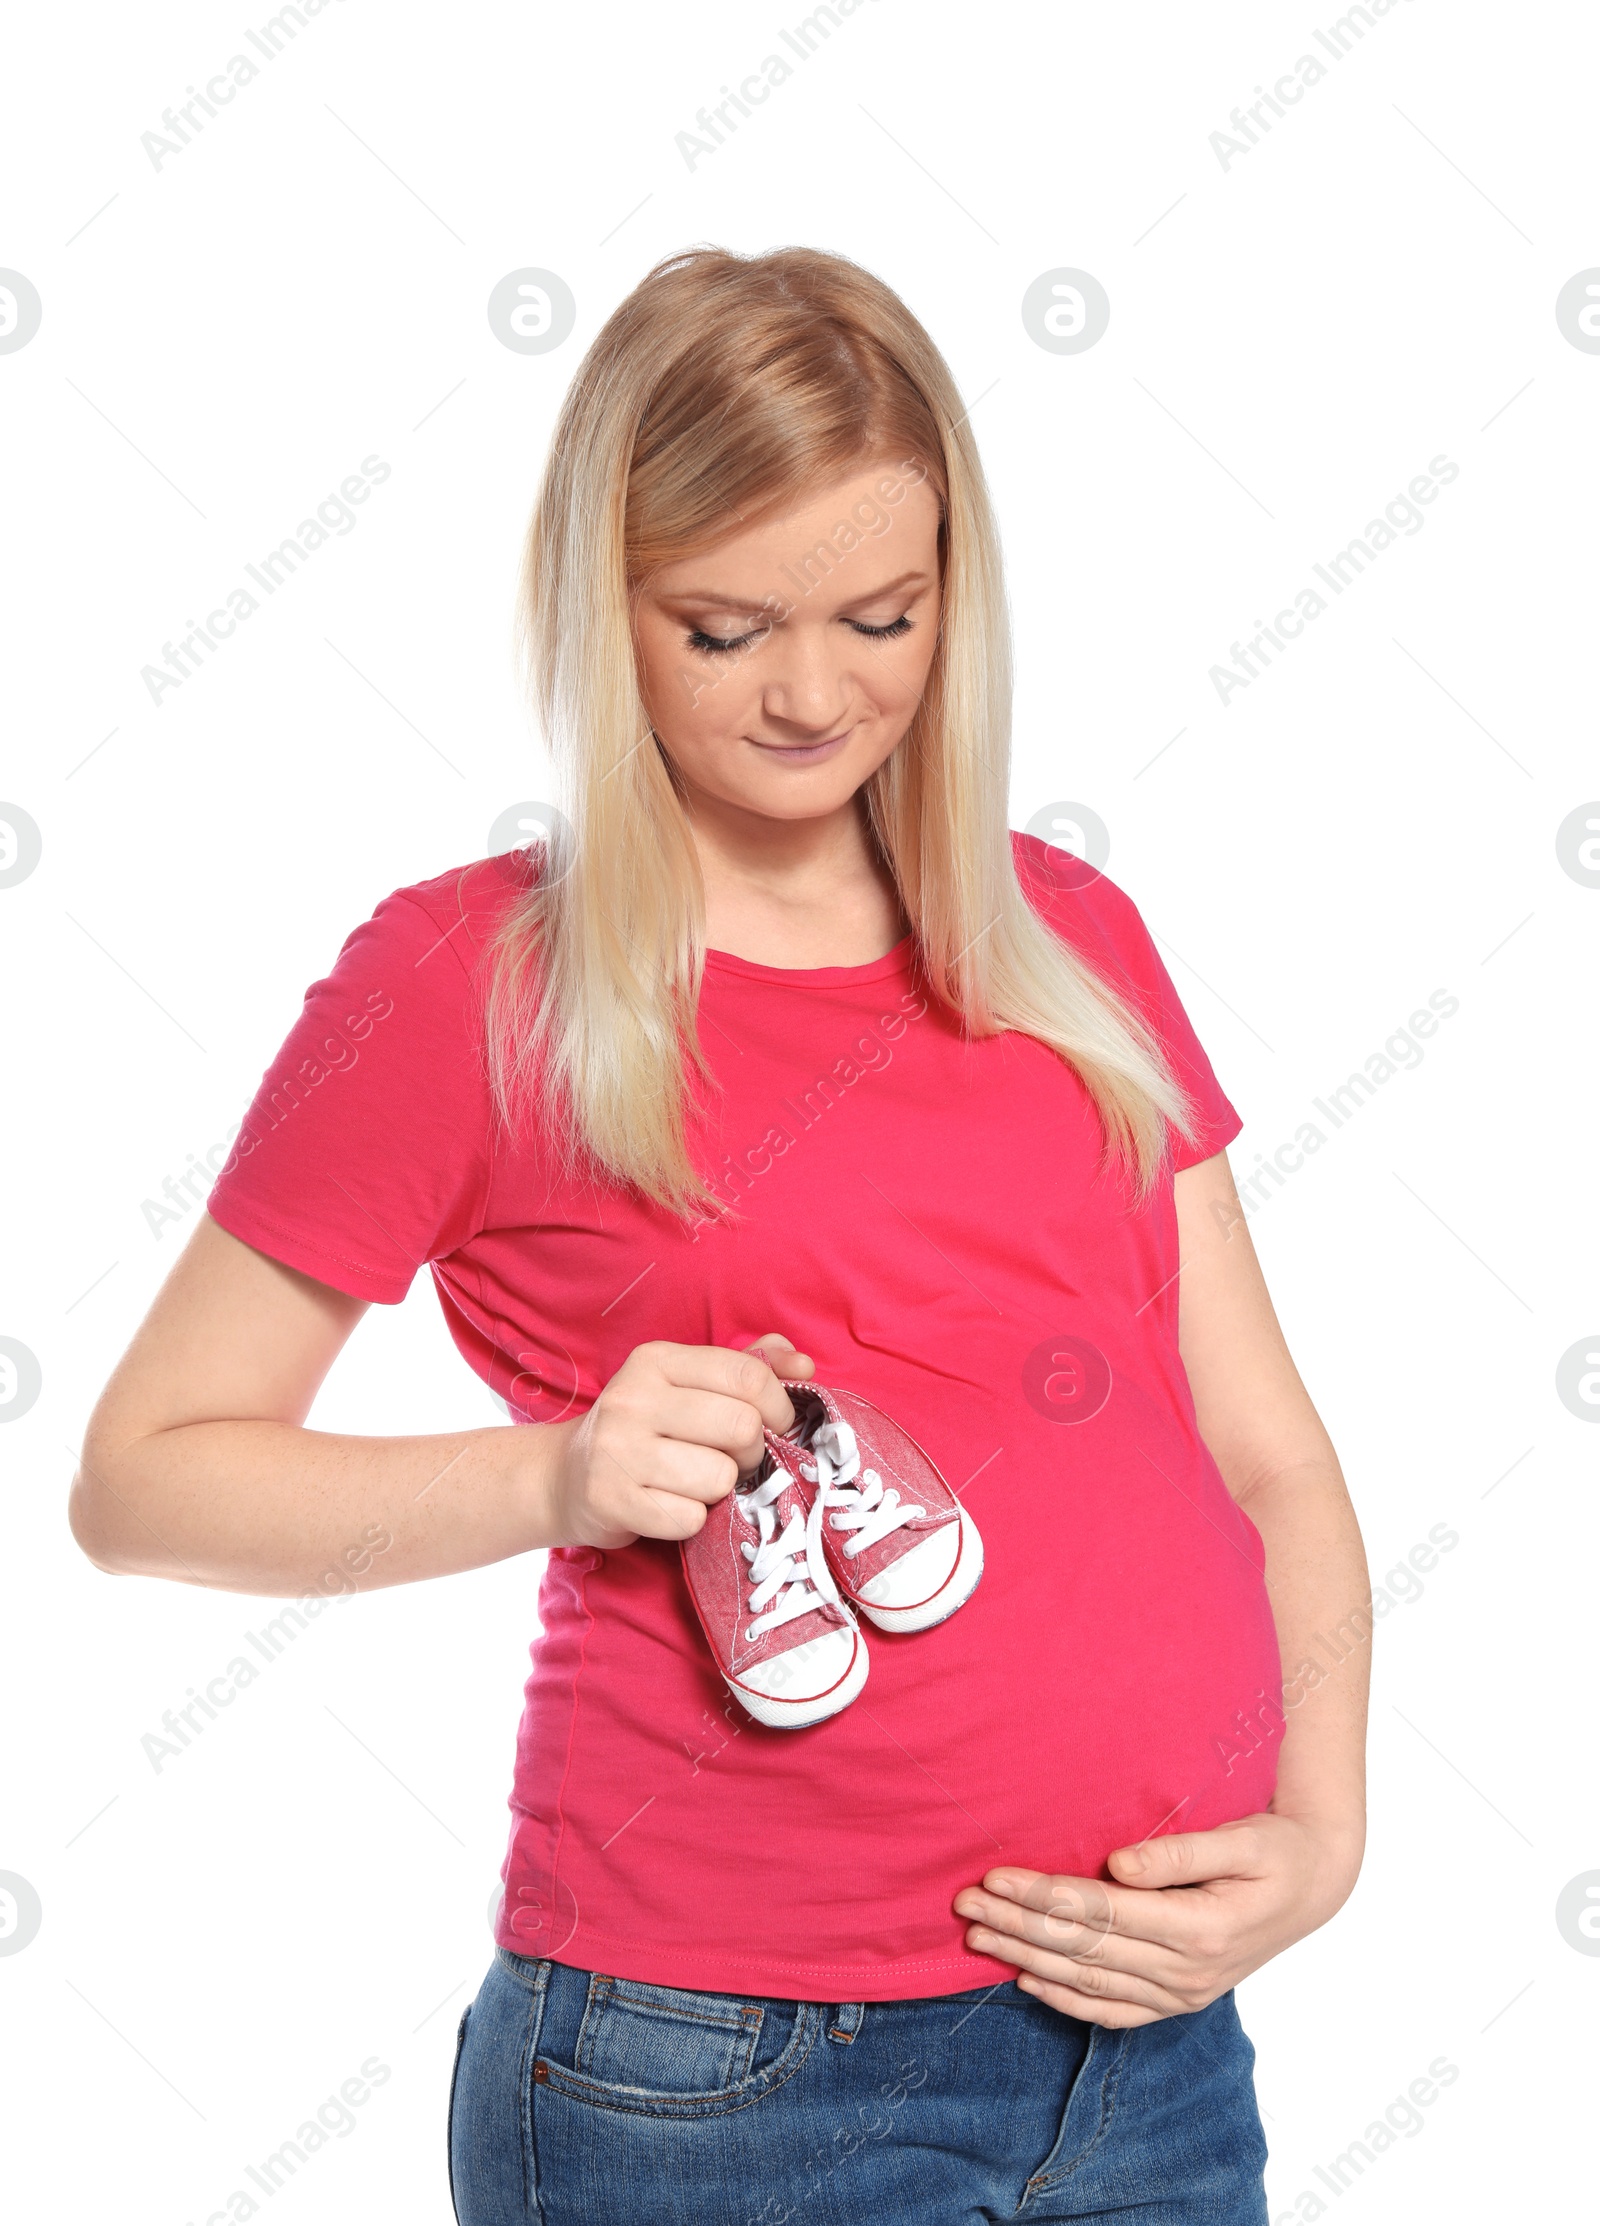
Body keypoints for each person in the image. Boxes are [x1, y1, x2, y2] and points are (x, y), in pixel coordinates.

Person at [70, 246, 1370, 2225]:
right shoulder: (464, 983)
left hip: (1151, 2049)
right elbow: (143, 1481)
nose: (811, 692)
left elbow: (1263, 1451)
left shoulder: (1060, 944)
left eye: (880, 616)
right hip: (725, 2074)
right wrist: (555, 1471)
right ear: (605, 606)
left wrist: (1318, 1835)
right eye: (722, 625)